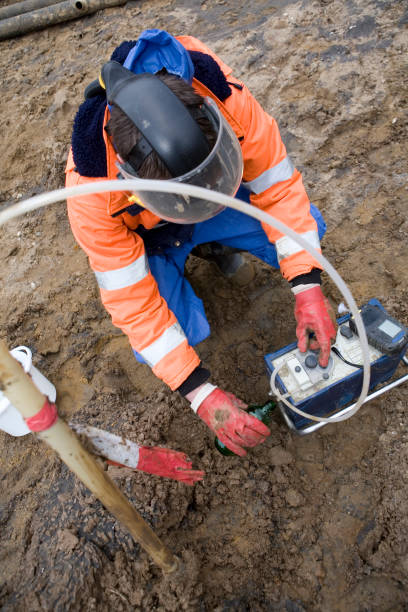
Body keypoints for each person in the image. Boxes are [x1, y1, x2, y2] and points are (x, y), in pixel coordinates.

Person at [66, 29, 336, 457]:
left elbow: (280, 191)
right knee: (169, 337)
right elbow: (133, 303)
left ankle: (216, 244)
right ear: (130, 180)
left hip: (220, 196)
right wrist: (200, 393)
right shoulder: (91, 191)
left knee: (309, 232)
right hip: (154, 237)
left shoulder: (223, 94)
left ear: (209, 117)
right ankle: (188, 246)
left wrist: (307, 287)